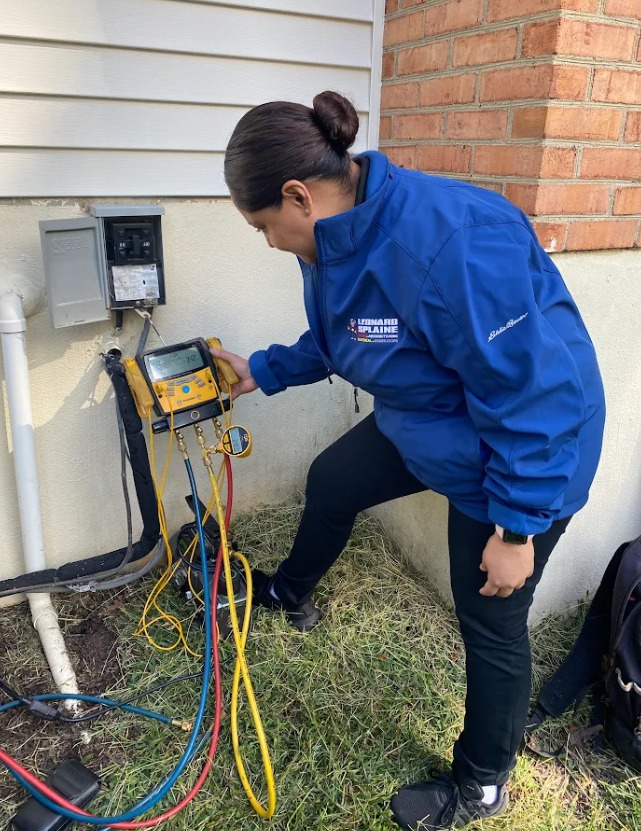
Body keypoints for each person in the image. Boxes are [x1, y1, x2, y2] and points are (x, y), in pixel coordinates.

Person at [211, 90, 606, 830]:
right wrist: (260, 369)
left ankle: (481, 783)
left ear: (298, 195)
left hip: (520, 454)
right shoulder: (334, 239)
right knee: (331, 480)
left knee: (490, 617)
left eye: (264, 225)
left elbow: (535, 397)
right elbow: (343, 336)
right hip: (428, 418)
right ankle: (288, 593)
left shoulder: (454, 242)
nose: (267, 242)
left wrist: (516, 531)